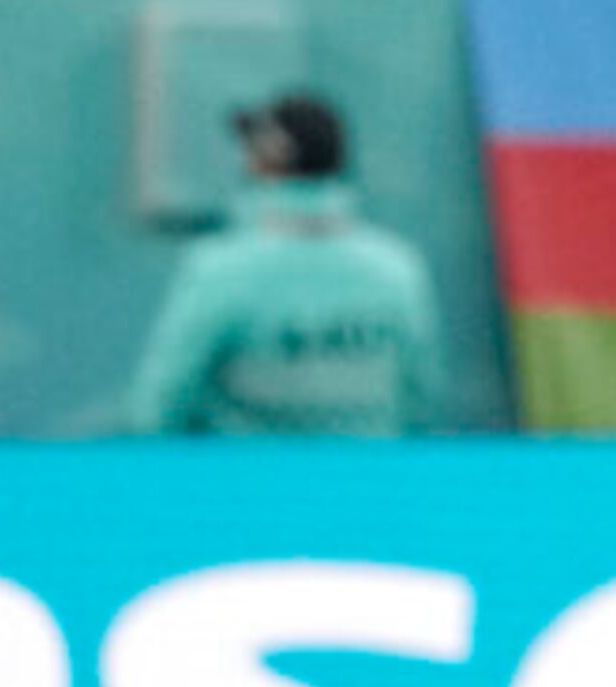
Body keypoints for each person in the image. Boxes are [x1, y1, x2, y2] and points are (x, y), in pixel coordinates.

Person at [127, 93, 443, 437]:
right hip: (369, 469)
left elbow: (160, 405)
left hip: (247, 471)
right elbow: (422, 402)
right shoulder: (398, 270)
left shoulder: (220, 270)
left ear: (268, 159)